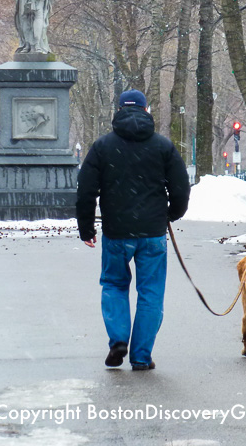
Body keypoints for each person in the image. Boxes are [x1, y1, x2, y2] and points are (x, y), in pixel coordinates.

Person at [76, 89, 190, 371]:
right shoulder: (163, 146)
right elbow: (181, 188)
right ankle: (141, 355)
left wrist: (86, 228)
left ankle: (118, 341)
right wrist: (171, 214)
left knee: (114, 284)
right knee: (151, 292)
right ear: (146, 110)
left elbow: (86, 191)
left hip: (116, 232)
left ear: (118, 110)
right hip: (152, 233)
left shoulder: (103, 147)